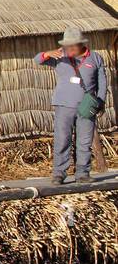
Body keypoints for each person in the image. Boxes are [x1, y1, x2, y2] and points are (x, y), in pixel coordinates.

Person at [36, 28, 107, 185]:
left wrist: (100, 102)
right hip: (64, 105)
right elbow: (37, 60)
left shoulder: (95, 58)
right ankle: (59, 174)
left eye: (73, 46)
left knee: (84, 141)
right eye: (67, 46)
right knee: (62, 139)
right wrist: (48, 53)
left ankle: (82, 173)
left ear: (81, 44)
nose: (70, 49)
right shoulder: (60, 57)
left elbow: (102, 82)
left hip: (86, 106)